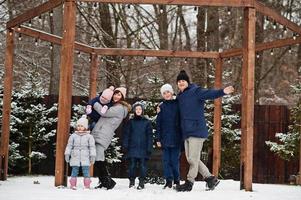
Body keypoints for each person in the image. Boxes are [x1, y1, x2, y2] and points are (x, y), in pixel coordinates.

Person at [175, 70, 234, 192]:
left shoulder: (195, 91)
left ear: (187, 82)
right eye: (179, 81)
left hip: (196, 130)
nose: (181, 83)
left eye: (183, 81)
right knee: (193, 159)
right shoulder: (179, 96)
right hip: (186, 132)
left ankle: (189, 182)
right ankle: (210, 178)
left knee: (192, 159)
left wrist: (223, 91)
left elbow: (210, 93)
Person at [91, 87, 131, 190]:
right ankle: (105, 181)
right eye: (115, 94)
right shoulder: (114, 105)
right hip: (100, 132)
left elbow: (104, 112)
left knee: (99, 158)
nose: (116, 96)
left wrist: (94, 102)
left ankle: (108, 182)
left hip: (103, 134)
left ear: (122, 97)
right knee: (98, 158)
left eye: (119, 95)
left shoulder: (120, 108)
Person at [156, 84, 182, 189]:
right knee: (166, 161)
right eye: (164, 93)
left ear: (172, 92)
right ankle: (168, 181)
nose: (166, 94)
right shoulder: (161, 106)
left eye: (168, 92)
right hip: (165, 138)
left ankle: (177, 180)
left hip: (176, 138)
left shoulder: (178, 104)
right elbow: (159, 124)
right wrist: (158, 138)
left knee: (174, 160)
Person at [123, 102, 153, 190]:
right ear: (134, 111)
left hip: (143, 148)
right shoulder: (131, 122)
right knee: (132, 165)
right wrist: (125, 145)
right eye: (136, 109)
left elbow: (150, 136)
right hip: (132, 148)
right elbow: (127, 134)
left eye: (140, 109)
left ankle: (141, 181)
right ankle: (132, 181)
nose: (138, 111)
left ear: (142, 111)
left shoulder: (147, 122)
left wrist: (149, 147)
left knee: (143, 165)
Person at [64, 115, 96, 190]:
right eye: (78, 126)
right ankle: (73, 185)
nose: (79, 127)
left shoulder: (89, 136)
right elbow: (69, 145)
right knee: (74, 170)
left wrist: (92, 155)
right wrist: (67, 154)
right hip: (75, 155)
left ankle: (87, 185)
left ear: (85, 127)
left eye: (81, 126)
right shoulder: (73, 136)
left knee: (86, 171)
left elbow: (92, 147)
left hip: (85, 156)